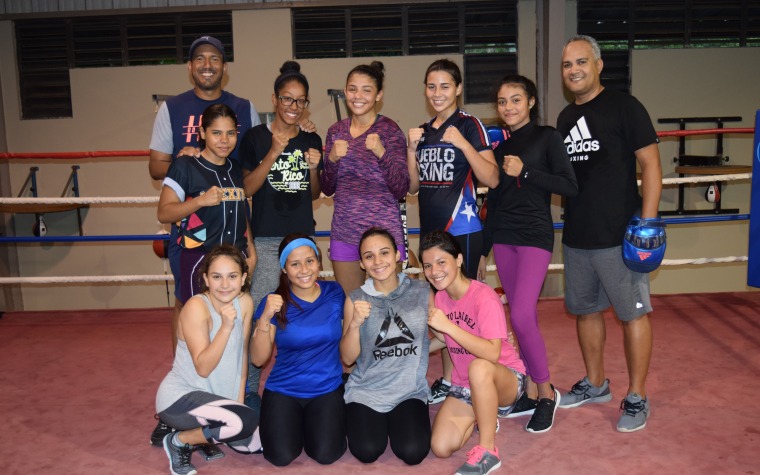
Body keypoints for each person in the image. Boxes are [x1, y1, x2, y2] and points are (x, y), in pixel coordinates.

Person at [555, 35, 662, 433]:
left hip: (620, 235)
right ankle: (596, 383)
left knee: (633, 315)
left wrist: (647, 223)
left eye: (581, 62)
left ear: (598, 65)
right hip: (578, 234)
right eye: (567, 65)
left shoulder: (624, 106)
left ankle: (636, 396)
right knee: (585, 312)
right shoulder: (566, 119)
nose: (574, 70)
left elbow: (651, 166)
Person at [148, 35, 260, 356]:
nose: (207, 65)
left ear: (224, 67)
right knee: (188, 307)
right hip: (194, 241)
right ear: (190, 66)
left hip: (232, 237)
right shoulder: (173, 110)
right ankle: (184, 381)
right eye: (200, 58)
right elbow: (158, 174)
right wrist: (187, 165)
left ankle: (228, 388)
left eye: (229, 133)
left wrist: (250, 250)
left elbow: (248, 176)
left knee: (232, 312)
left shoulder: (243, 110)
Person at [479, 75, 578, 433]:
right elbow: (494, 201)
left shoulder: (548, 137)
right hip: (504, 237)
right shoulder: (500, 147)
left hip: (535, 235)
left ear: (531, 102)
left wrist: (528, 171)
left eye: (516, 99)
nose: (509, 107)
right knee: (517, 318)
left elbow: (570, 186)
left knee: (521, 315)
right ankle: (531, 391)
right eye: (503, 101)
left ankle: (547, 392)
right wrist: (483, 251)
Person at [407, 58, 499, 405]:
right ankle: (450, 378)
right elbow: (414, 188)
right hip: (431, 234)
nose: (438, 93)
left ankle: (476, 377)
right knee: (442, 309)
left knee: (468, 307)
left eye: (445, 86)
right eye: (431, 86)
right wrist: (411, 149)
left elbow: (491, 177)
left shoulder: (470, 125)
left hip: (463, 229)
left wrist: (462, 144)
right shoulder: (423, 130)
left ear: (458, 89)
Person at [238, 60, 323, 414]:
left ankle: (309, 383)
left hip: (302, 240)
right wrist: (274, 152)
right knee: (260, 316)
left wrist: (316, 167)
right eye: (287, 99)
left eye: (300, 101)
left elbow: (315, 193)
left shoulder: (312, 138)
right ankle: (249, 392)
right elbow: (246, 188)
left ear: (306, 104)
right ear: (274, 99)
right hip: (268, 239)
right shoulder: (256, 138)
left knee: (305, 314)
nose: (293, 106)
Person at [155, 244, 261, 475]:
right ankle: (180, 440)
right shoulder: (196, 307)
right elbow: (203, 367)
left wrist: (238, 403)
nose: (225, 285)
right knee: (243, 422)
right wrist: (225, 327)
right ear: (206, 278)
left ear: (243, 278)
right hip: (180, 400)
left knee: (257, 443)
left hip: (215, 399)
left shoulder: (244, 302)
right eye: (217, 277)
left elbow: (241, 356)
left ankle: (211, 433)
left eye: (232, 276)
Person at [251, 234, 347, 466]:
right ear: (284, 269)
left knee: (326, 455)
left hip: (326, 387)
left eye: (310, 261)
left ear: (319, 262)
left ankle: (318, 420)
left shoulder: (335, 293)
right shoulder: (273, 301)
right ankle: (299, 422)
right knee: (279, 456)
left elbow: (351, 341)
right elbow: (257, 359)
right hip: (284, 388)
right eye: (295, 264)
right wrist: (265, 317)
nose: (304, 269)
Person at [341, 227, 433, 465]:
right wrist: (354, 325)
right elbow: (348, 359)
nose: (377, 261)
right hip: (367, 389)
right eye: (369, 256)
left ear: (398, 255)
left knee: (413, 451)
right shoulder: (355, 298)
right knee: (367, 451)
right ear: (361, 263)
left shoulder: (422, 291)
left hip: (409, 391)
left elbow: (445, 335)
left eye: (384, 253)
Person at [320, 61, 410, 294]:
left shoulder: (389, 131)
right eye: (352, 89)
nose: (358, 96)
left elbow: (401, 189)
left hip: (384, 235)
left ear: (378, 95)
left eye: (366, 90)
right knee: (353, 308)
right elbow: (327, 189)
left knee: (391, 309)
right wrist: (330, 159)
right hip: (345, 231)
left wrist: (382, 153)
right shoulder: (335, 131)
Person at [157, 104, 255, 306]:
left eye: (230, 133)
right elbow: (164, 213)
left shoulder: (235, 168)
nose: (224, 140)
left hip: (236, 260)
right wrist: (201, 201)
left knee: (237, 324)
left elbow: (242, 212)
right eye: (216, 133)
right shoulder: (185, 165)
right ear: (202, 132)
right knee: (201, 328)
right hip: (199, 259)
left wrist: (252, 254)